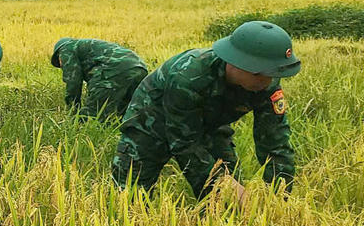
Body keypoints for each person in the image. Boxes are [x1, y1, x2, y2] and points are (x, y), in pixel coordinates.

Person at [111, 20, 299, 201]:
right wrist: (225, 185)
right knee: (130, 195)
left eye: (273, 74)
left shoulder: (267, 85)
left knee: (228, 198)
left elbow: (276, 143)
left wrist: (278, 198)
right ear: (234, 63)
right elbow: (185, 145)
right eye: (260, 74)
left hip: (212, 123)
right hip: (151, 120)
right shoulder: (188, 76)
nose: (267, 82)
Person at [51, 38, 149, 122]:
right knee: (126, 114)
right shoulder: (87, 46)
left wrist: (73, 110)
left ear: (58, 55)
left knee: (93, 114)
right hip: (139, 68)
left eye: (60, 63)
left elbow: (73, 80)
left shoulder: (66, 48)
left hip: (114, 69)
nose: (62, 65)